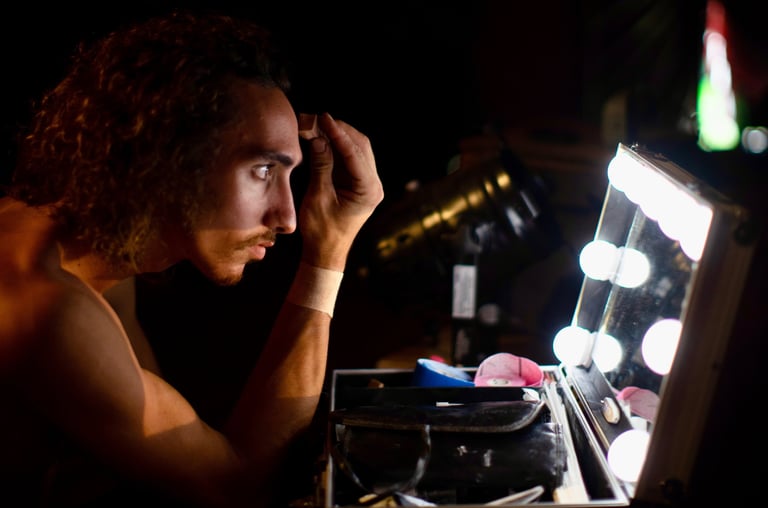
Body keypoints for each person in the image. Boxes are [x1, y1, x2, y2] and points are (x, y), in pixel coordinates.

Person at [0, 8, 383, 507]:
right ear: (170, 156)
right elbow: (234, 487)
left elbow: (161, 466)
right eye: (263, 170)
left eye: (288, 176)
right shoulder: (48, 303)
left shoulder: (99, 256)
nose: (289, 217)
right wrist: (327, 255)